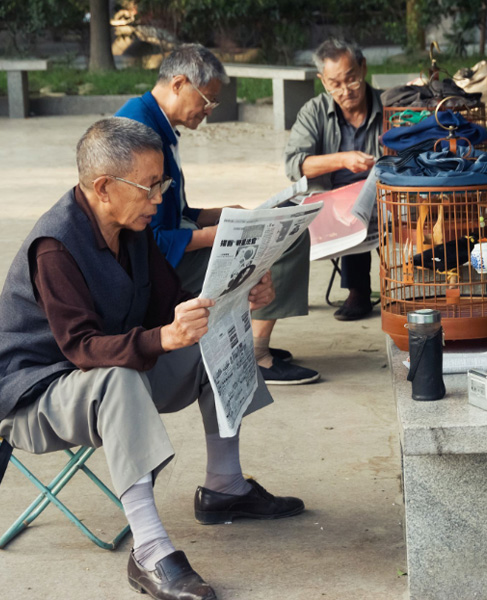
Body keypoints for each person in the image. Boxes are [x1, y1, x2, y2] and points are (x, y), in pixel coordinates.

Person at [0, 118, 304, 600]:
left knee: (213, 333)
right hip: (37, 396)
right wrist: (162, 339)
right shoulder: (55, 247)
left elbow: (168, 302)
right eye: (149, 186)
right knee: (117, 377)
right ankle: (149, 549)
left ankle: (224, 486)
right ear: (103, 187)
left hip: (101, 375)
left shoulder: (130, 226)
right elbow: (81, 349)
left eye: (161, 183)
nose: (159, 198)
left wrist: (238, 295)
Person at [116, 43, 319, 385]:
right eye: (207, 99)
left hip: (169, 243)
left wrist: (221, 214)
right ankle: (257, 354)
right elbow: (148, 239)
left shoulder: (154, 122)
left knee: (280, 220)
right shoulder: (141, 134)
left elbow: (171, 212)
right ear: (179, 83)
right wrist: (220, 235)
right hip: (148, 265)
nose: (209, 110)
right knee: (283, 240)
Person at [284, 38, 383, 321]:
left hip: (385, 196)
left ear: (363, 69)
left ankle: (399, 289)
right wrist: (342, 159)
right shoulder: (314, 111)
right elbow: (294, 164)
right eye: (335, 83)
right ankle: (358, 291)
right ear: (323, 81)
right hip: (335, 198)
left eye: (351, 80)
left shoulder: (388, 105)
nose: (345, 90)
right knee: (347, 210)